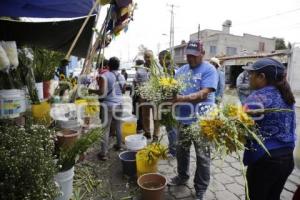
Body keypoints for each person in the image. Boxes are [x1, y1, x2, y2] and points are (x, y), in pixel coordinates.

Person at [168, 40, 218, 200]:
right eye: (188, 55)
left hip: (202, 121)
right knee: (182, 151)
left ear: (202, 54)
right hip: (183, 119)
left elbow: (204, 93)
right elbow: (173, 90)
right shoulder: (181, 70)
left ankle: (201, 188)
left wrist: (182, 98)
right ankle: (182, 176)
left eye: (194, 56)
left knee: (203, 157)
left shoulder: (210, 69)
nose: (191, 58)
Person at [243, 58, 296, 200]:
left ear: (261, 77)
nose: (249, 77)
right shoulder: (286, 94)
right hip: (287, 159)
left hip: (265, 161)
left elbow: (243, 129)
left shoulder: (257, 97)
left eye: (251, 74)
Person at [88, 57, 126, 161]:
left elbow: (101, 92)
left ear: (108, 65)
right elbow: (123, 90)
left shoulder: (105, 75)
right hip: (119, 104)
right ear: (118, 66)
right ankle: (119, 145)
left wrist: (91, 91)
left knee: (105, 128)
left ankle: (104, 153)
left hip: (108, 105)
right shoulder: (122, 76)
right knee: (118, 126)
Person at [158, 50, 177, 157]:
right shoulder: (173, 68)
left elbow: (170, 87)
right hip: (173, 101)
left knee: (171, 127)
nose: (159, 62)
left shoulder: (170, 70)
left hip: (171, 102)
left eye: (159, 59)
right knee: (172, 126)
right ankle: (174, 148)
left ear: (164, 59)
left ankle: (173, 151)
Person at [139, 50, 160, 141]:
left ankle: (156, 135)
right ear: (144, 58)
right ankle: (147, 132)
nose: (148, 59)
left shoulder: (158, 68)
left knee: (156, 117)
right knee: (145, 116)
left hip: (156, 97)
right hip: (144, 96)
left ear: (153, 57)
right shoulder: (140, 69)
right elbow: (136, 81)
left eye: (150, 57)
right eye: (146, 57)